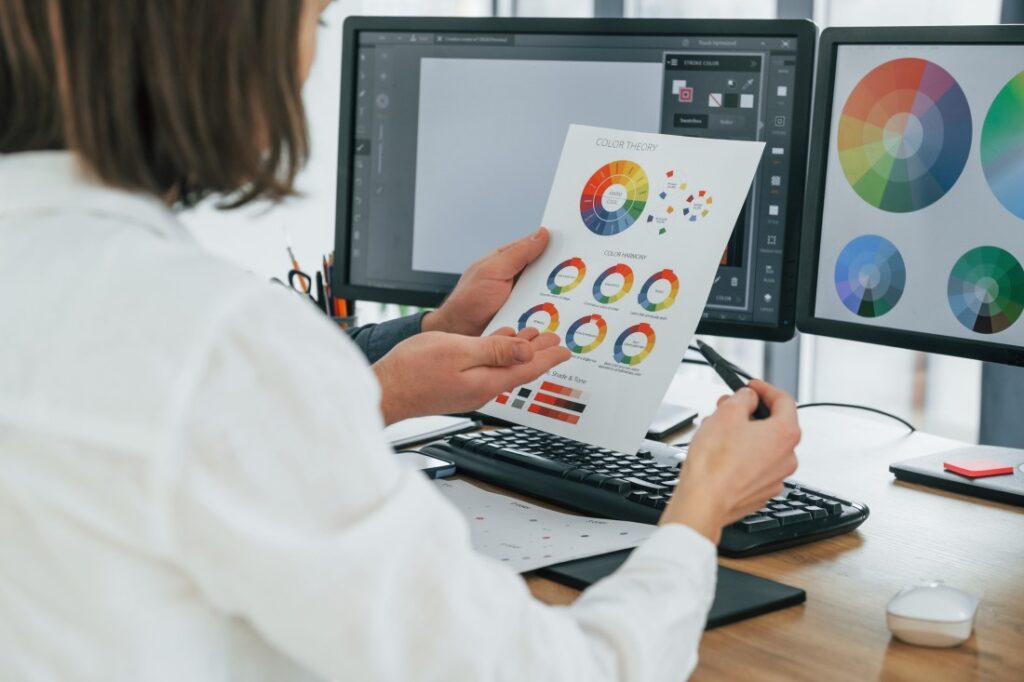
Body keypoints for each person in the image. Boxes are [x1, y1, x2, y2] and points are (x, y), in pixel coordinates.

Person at [0, 1, 801, 680]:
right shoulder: (215, 340)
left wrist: (401, 366)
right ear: (221, 42)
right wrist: (700, 511)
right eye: (314, 21)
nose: (306, 64)